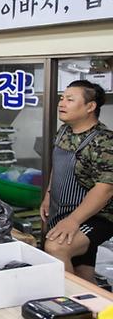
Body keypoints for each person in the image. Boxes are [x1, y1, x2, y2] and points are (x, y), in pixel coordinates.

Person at [41, 80, 113, 282]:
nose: (61, 103)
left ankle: (71, 307)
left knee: (57, 247)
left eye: (70, 100)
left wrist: (73, 221)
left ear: (90, 107)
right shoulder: (64, 131)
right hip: (63, 209)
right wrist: (48, 195)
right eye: (62, 98)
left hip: (97, 216)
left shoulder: (105, 141)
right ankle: (95, 311)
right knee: (82, 271)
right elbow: (59, 164)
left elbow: (105, 189)